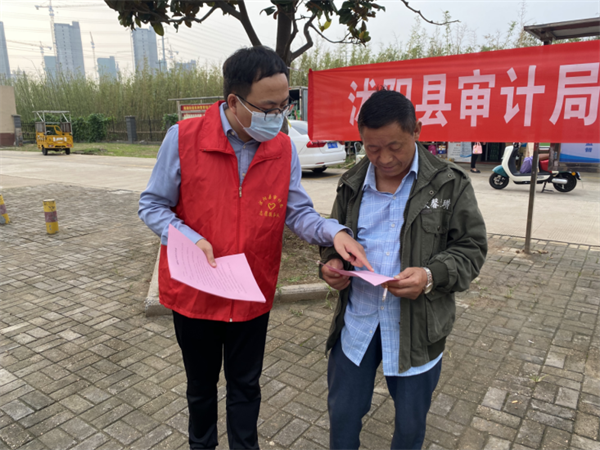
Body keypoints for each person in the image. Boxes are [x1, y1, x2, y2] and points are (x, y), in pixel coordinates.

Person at [138, 46, 372, 450]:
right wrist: (187, 237)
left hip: (251, 290)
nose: (278, 116)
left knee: (246, 385)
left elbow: (297, 212)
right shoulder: (184, 139)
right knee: (200, 387)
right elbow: (152, 205)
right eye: (268, 107)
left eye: (284, 106)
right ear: (234, 101)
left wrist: (334, 232)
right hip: (196, 293)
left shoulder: (283, 149)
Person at [319, 89, 487, 450]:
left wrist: (430, 276)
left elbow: (471, 249)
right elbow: (334, 235)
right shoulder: (351, 182)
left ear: (417, 130)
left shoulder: (449, 183)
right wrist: (332, 262)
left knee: (410, 427)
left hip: (417, 328)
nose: (384, 158)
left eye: (394, 146)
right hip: (358, 321)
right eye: (372, 148)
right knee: (343, 416)